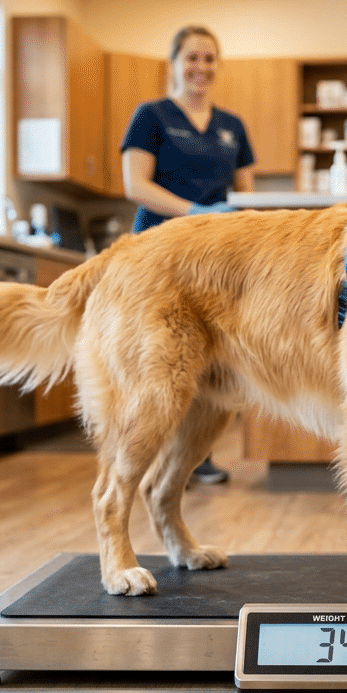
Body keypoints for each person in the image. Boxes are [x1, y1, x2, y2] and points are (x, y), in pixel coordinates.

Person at [120, 25, 255, 483]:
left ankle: (196, 456)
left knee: (213, 355)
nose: (200, 67)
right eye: (191, 57)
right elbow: (135, 185)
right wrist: (194, 211)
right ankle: (145, 453)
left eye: (209, 58)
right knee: (161, 361)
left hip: (215, 258)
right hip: (158, 253)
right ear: (174, 63)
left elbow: (245, 196)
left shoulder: (231, 126)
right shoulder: (151, 116)